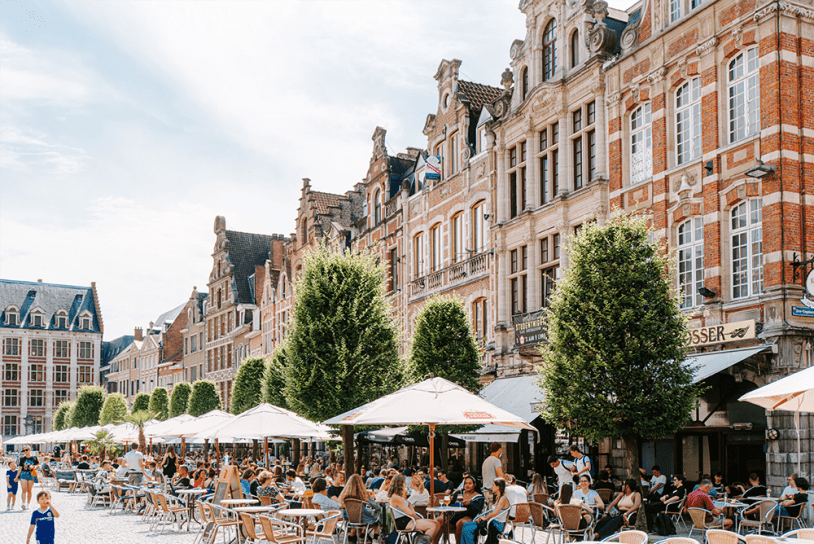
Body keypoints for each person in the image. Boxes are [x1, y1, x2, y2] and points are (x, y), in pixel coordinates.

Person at [389, 474, 442, 544]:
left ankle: (422, 540)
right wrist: (417, 518)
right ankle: (421, 542)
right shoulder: (396, 497)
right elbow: (409, 513)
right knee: (432, 526)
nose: (406, 485)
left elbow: (409, 505)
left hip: (408, 519)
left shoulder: (400, 495)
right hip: (403, 522)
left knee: (437, 523)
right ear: (399, 484)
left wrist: (414, 515)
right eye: (404, 483)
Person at [460, 478, 511, 544]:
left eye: (493, 485)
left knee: (467, 529)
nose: (491, 487)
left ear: (498, 487)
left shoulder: (503, 499)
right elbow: (492, 511)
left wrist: (485, 519)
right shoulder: (497, 497)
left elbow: (495, 513)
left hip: (496, 524)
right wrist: (483, 517)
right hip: (491, 521)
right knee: (465, 525)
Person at [450, 475, 485, 544]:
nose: (467, 485)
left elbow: (477, 510)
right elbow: (451, 503)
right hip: (455, 515)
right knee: (440, 520)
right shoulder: (459, 493)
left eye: (470, 483)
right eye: (465, 483)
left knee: (460, 523)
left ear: (474, 484)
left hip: (471, 516)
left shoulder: (479, 497)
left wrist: (470, 504)